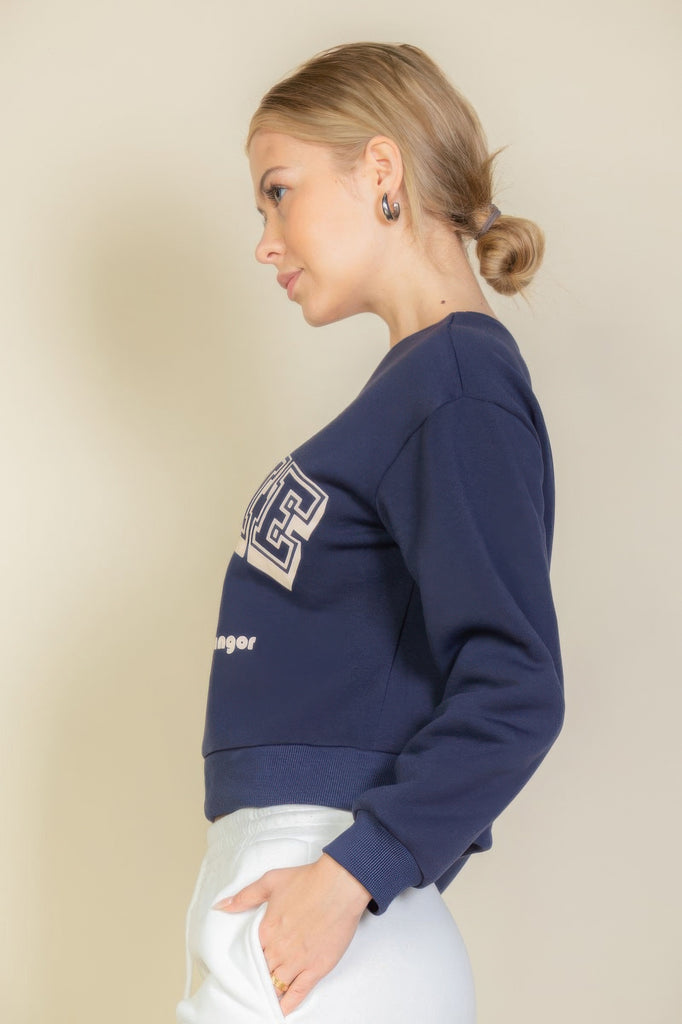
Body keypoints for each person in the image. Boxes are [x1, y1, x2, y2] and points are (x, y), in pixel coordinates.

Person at [176, 41, 564, 1024]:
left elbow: (517, 684)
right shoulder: (417, 390)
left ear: (381, 171)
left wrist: (351, 874)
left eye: (279, 193)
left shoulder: (457, 389)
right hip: (301, 888)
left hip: (327, 893)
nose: (265, 241)